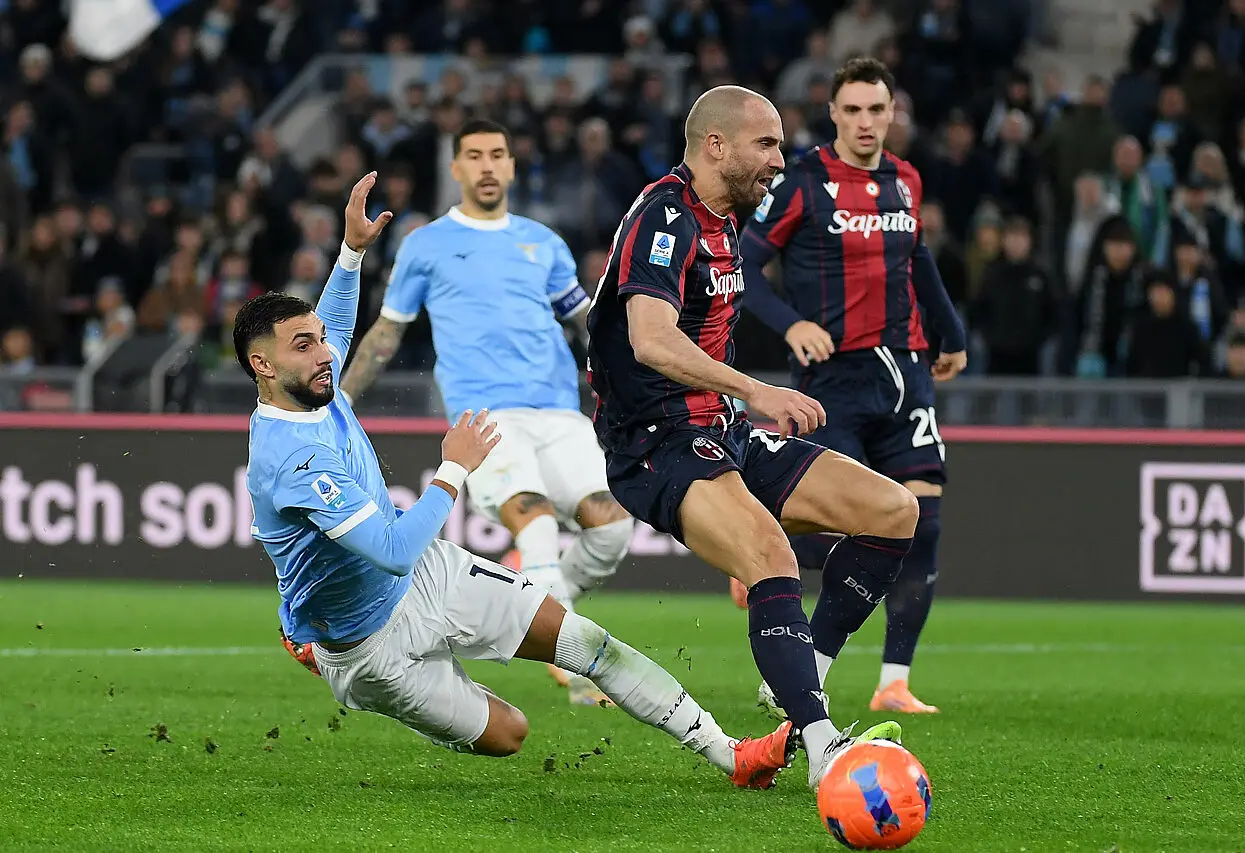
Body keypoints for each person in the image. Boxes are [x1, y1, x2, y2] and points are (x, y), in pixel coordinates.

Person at [241, 172, 796, 786]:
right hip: (365, 646)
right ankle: (324, 654)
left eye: (321, 341)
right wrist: (455, 465)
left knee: (586, 642)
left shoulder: (313, 381)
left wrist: (350, 254)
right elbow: (391, 552)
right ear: (263, 366)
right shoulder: (291, 459)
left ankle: (731, 754)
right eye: (304, 345)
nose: (324, 354)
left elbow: (337, 322)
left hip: (432, 572)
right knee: (510, 734)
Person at [586, 85, 909, 791]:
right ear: (715, 145)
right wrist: (757, 388)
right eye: (766, 143)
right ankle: (824, 744)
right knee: (769, 553)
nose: (780, 158)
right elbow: (649, 339)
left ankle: (803, 682)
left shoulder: (725, 221)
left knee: (894, 511)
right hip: (657, 444)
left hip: (721, 434)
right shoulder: (664, 215)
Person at [340, 120, 634, 706]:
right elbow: (385, 335)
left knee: (614, 528)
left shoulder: (543, 241)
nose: (487, 165)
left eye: (498, 154)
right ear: (456, 169)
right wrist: (341, 401)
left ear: (512, 165)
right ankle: (576, 670)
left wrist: (633, 370)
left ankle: (535, 597)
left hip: (559, 408)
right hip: (486, 416)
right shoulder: (423, 244)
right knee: (540, 523)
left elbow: (585, 322)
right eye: (474, 156)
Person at [738, 57, 968, 715]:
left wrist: (950, 335)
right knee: (834, 530)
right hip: (831, 381)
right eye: (854, 110)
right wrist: (791, 324)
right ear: (834, 114)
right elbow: (745, 268)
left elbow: (917, 259)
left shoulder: (906, 181)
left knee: (921, 521)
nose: (868, 122)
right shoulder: (802, 182)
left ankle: (888, 679)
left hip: (904, 375)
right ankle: (747, 536)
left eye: (879, 109)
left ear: (893, 113)